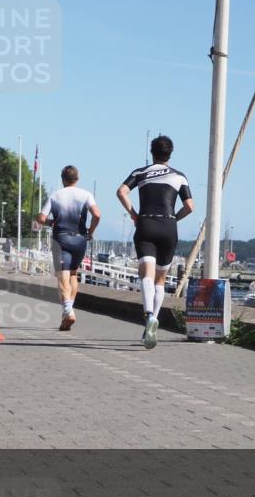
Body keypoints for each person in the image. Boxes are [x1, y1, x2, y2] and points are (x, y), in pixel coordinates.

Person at [116, 135, 193, 349]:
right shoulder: (179, 176)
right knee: (160, 279)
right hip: (169, 227)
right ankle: (152, 323)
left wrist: (133, 214)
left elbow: (121, 191)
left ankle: (149, 315)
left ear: (152, 152)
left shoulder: (140, 172)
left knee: (145, 275)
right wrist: (173, 219)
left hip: (146, 224)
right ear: (170, 153)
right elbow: (189, 206)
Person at [37, 165, 101, 331]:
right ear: (77, 178)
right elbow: (97, 214)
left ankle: (68, 311)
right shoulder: (86, 194)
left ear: (62, 179)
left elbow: (41, 218)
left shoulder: (55, 196)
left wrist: (51, 222)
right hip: (80, 240)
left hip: (61, 240)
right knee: (73, 274)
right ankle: (67, 313)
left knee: (62, 277)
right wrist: (90, 231)